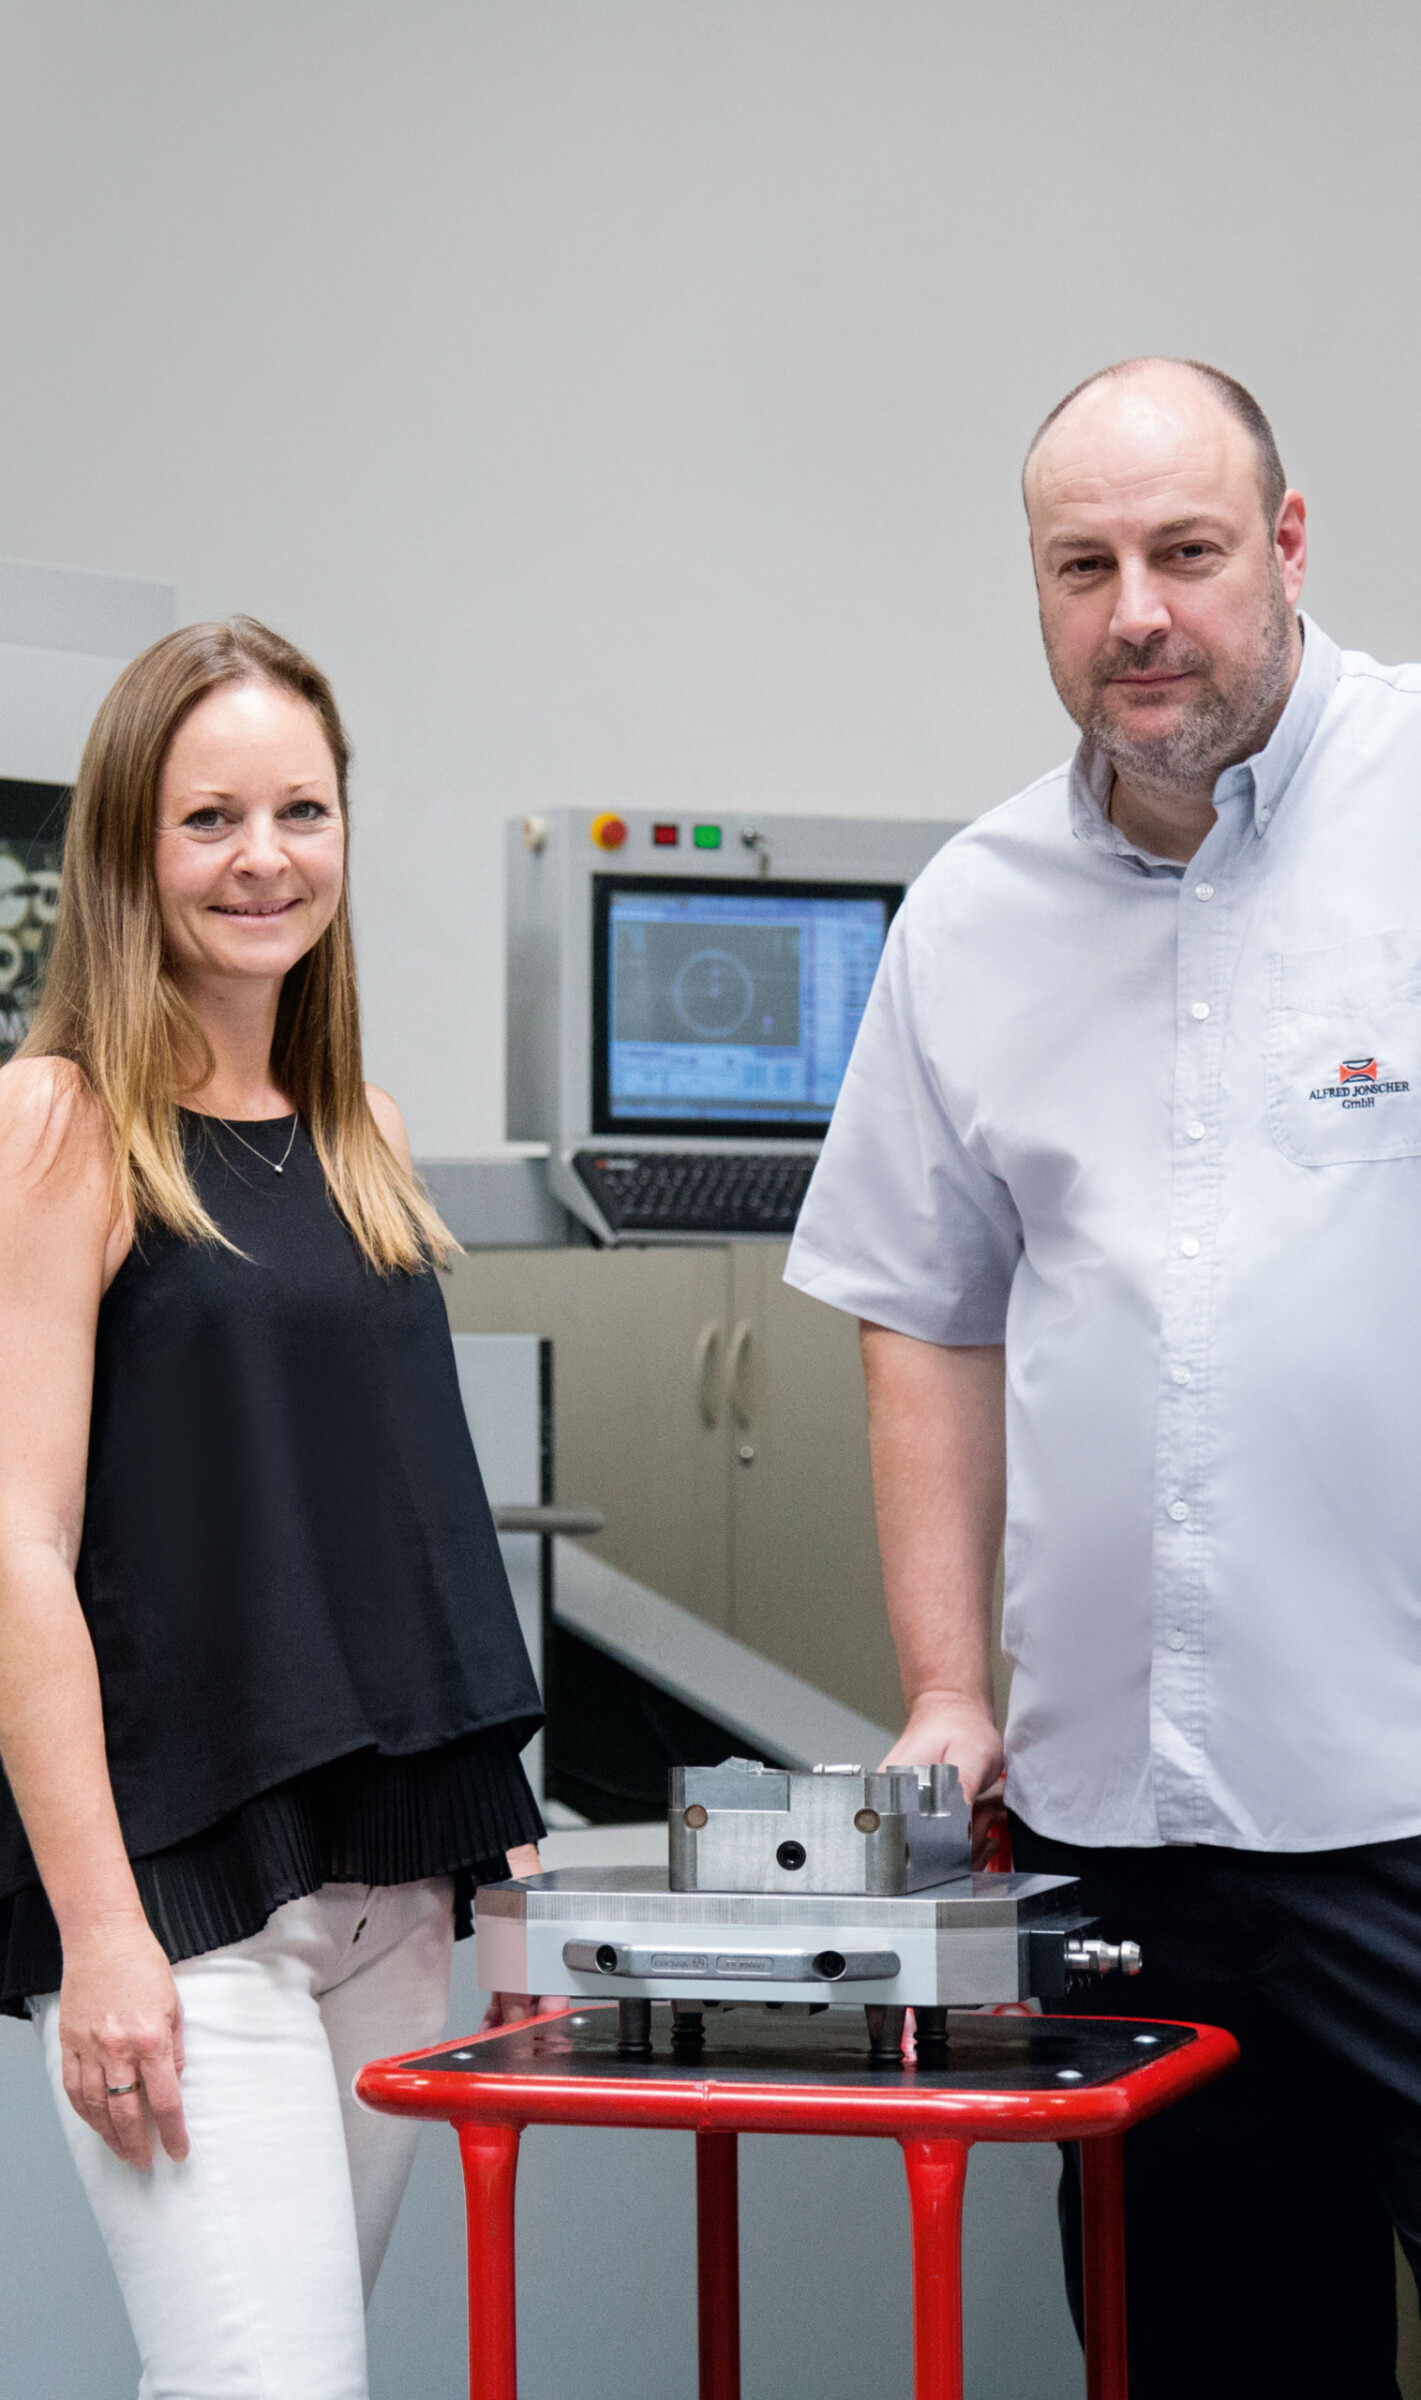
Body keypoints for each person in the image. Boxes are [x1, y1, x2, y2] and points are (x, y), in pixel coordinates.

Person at [786, 357, 1421, 2398]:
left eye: (1186, 552)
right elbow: (926, 1314)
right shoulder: (973, 915)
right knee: (1210, 2356)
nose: (1136, 609)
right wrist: (952, 1689)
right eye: (1085, 565)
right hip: (1126, 1838)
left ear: (1290, 546)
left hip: (1406, 1796)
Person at [0, 618, 548, 2398]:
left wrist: (504, 1857)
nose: (262, 860)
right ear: (125, 854)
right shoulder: (58, 1126)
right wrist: (99, 1934)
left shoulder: (358, 1127)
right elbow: (18, 1546)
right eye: (207, 818)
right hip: (187, 1906)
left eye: (298, 811)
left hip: (385, 1893)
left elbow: (409, 1509)